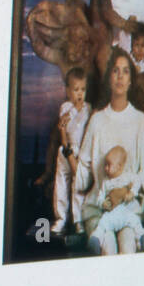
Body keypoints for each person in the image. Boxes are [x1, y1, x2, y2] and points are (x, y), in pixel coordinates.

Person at [76, 47, 144, 255]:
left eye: (125, 71)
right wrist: (68, 156)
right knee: (107, 247)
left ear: (130, 80)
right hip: (99, 208)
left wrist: (125, 192)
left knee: (128, 246)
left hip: (128, 208)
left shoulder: (139, 121)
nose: (120, 76)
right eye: (115, 71)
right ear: (109, 77)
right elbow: (83, 169)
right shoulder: (97, 119)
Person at [35, 66, 91, 236]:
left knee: (77, 186)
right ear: (68, 91)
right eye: (75, 90)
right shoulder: (65, 107)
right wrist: (75, 107)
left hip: (79, 152)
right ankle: (61, 219)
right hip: (65, 151)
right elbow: (64, 123)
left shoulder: (88, 108)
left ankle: (78, 220)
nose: (79, 94)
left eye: (82, 89)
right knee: (61, 184)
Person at [87, 144, 144, 249]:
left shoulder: (128, 176)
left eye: (109, 165)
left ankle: (142, 236)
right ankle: (96, 239)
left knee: (135, 221)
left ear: (119, 166)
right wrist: (102, 203)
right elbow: (100, 196)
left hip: (127, 211)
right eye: (105, 164)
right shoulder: (106, 182)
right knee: (103, 222)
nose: (105, 168)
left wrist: (132, 192)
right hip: (112, 213)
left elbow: (138, 181)